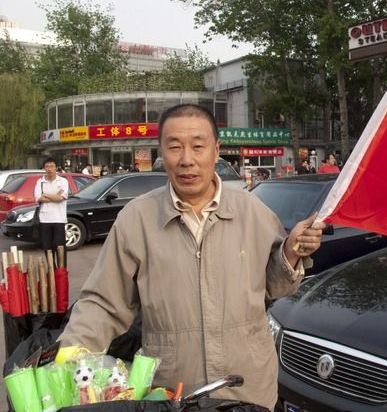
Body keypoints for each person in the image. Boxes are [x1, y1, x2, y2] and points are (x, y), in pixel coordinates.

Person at [56, 104, 324, 409]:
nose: (187, 160)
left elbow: (275, 287)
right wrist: (67, 358)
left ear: (216, 150)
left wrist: (289, 252)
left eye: (198, 146)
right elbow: (103, 303)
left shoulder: (253, 212)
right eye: (174, 147)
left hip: (248, 387)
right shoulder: (138, 219)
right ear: (161, 153)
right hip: (171, 391)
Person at [34, 157, 69, 264]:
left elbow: (60, 198)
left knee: (60, 247)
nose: (49, 169)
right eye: (47, 166)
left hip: (59, 219)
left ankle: (61, 271)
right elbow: (39, 198)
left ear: (56, 168)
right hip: (45, 219)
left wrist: (46, 195)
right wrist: (54, 196)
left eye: (52, 166)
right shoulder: (40, 182)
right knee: (47, 248)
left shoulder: (63, 181)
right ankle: (51, 270)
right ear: (44, 168)